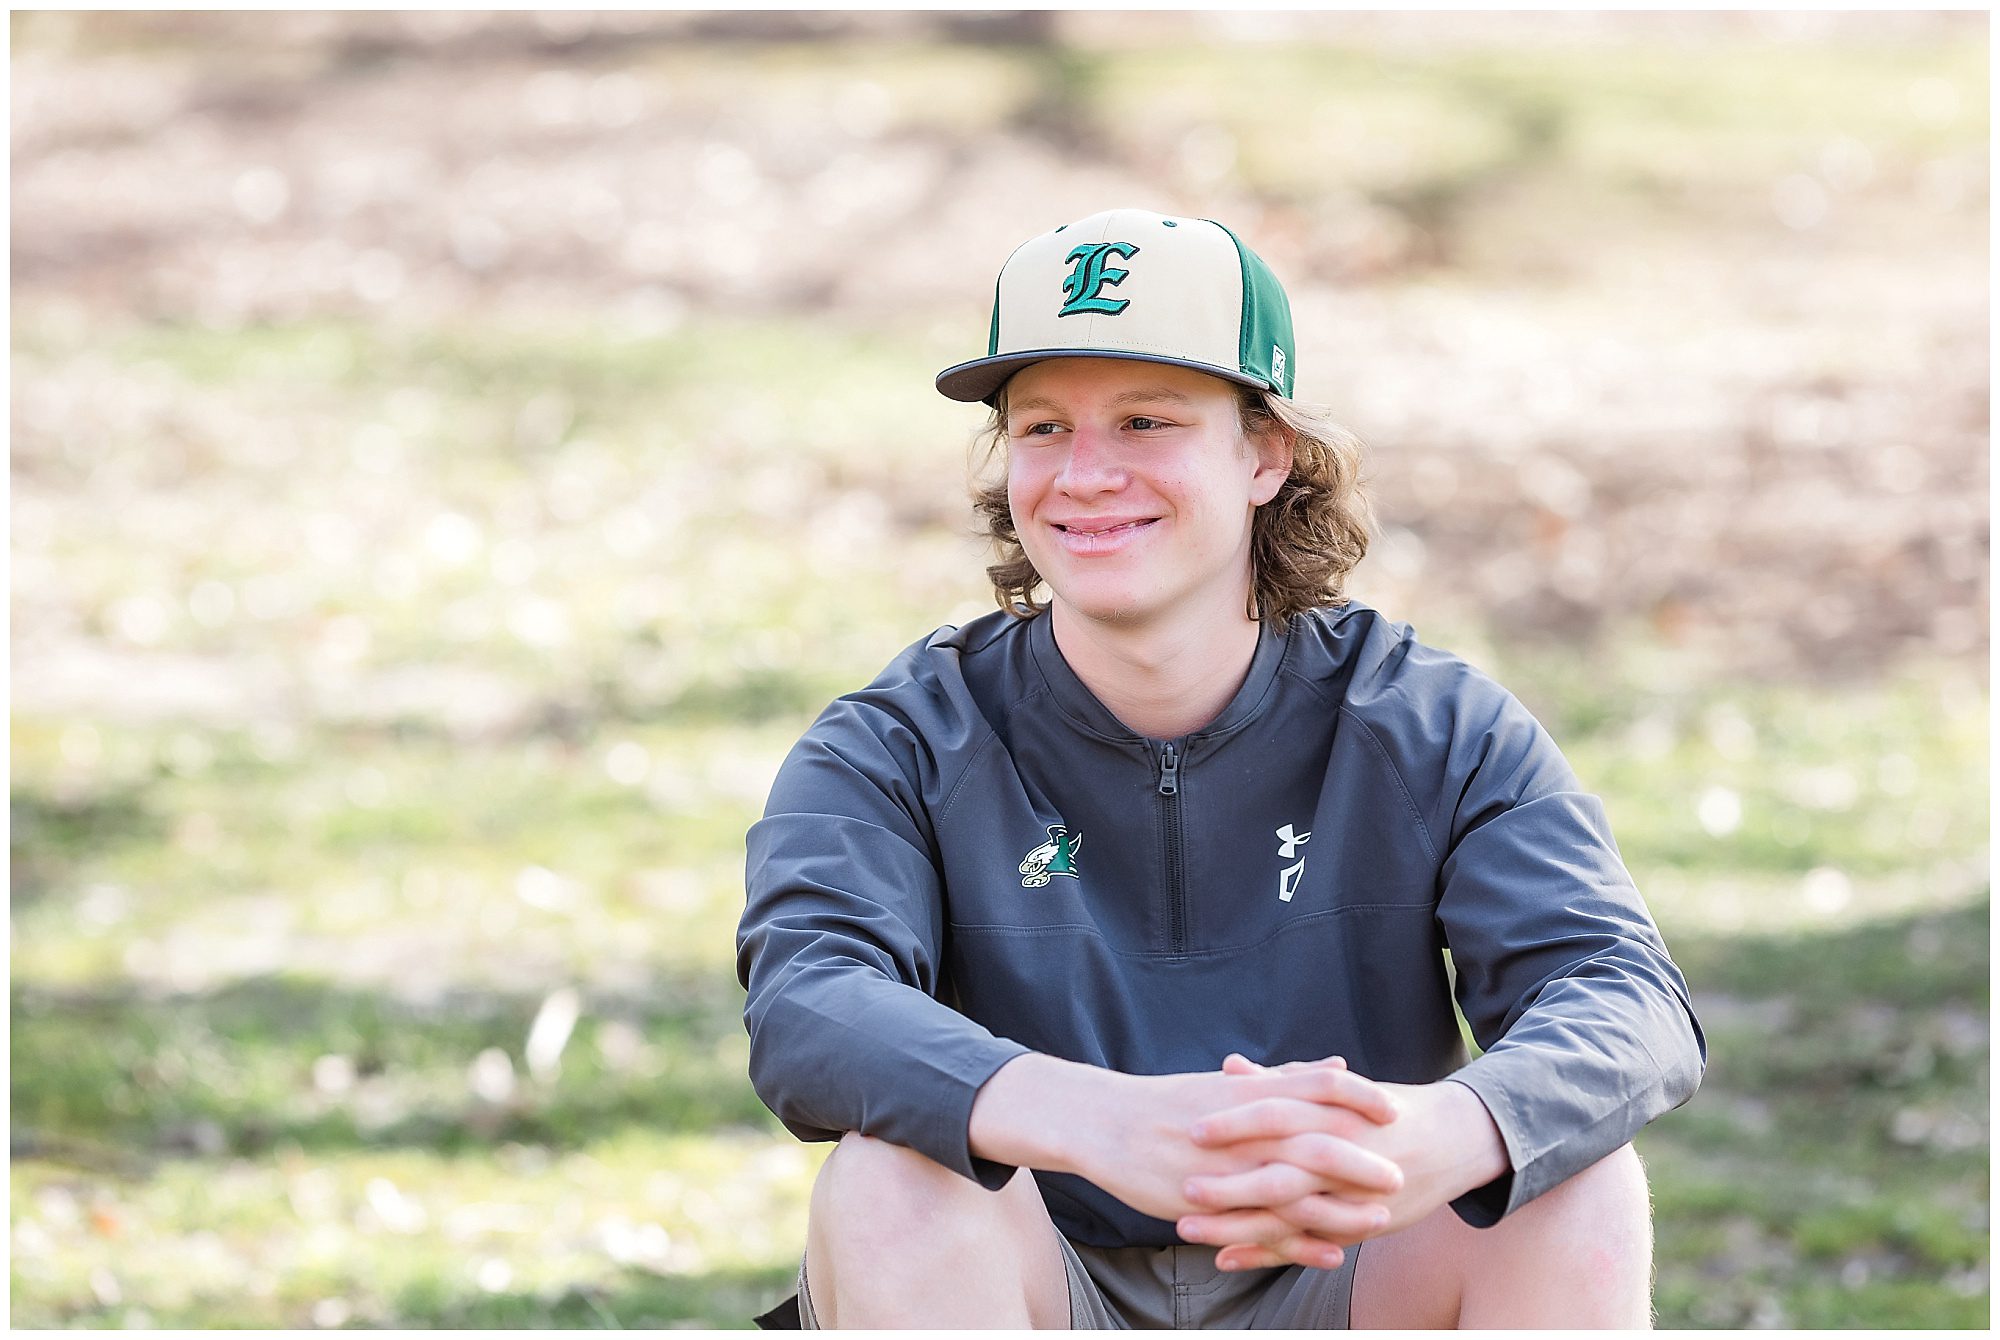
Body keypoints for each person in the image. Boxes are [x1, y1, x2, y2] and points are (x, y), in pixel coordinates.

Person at [737, 207, 1705, 1329]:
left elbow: (1626, 995)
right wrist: (1092, 1119)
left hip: (1350, 1262)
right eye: (1043, 428)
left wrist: (1440, 1132)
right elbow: (808, 1000)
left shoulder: (1428, 724)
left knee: (1572, 1179)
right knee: (888, 1179)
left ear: (1265, 453)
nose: (1083, 474)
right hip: (1035, 1278)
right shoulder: (903, 738)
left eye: (1144, 421)